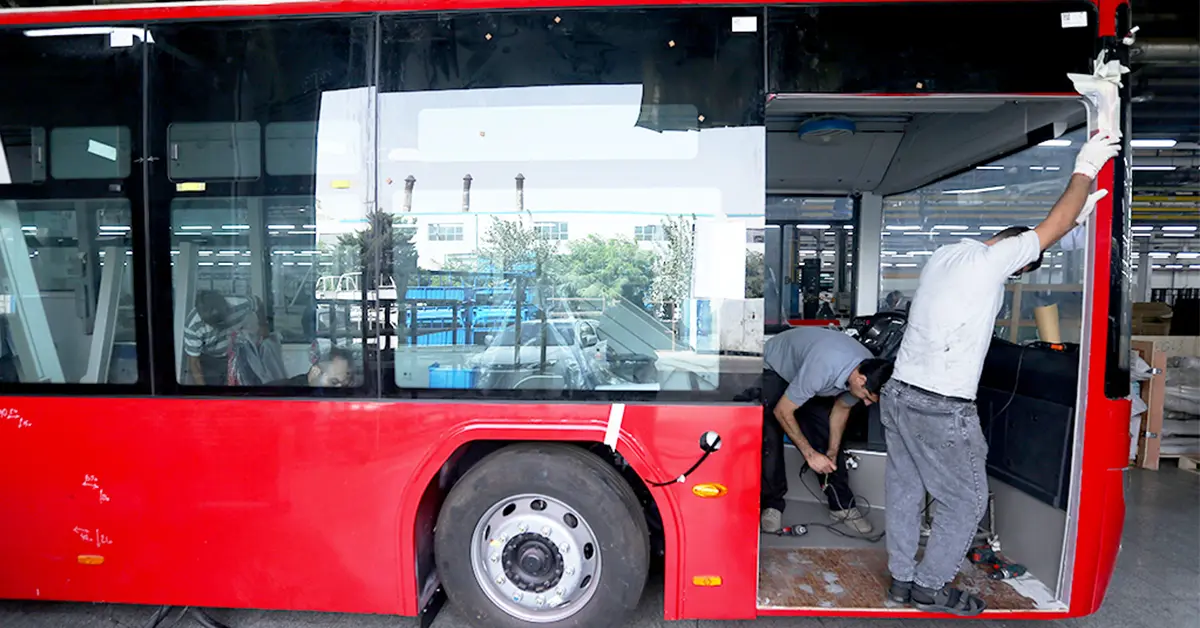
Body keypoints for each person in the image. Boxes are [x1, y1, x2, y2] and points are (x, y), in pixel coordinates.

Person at [879, 131, 1121, 616]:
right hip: (940, 407)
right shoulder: (995, 262)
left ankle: (902, 581)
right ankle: (929, 587)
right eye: (1022, 266)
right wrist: (1086, 168)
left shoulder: (949, 255)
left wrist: (1068, 226)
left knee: (905, 491)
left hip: (899, 394)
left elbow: (1033, 239)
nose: (1015, 275)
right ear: (1015, 254)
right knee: (966, 501)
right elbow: (1046, 228)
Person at [761, 326, 895, 535]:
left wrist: (831, 451)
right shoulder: (823, 367)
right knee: (770, 435)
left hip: (811, 374)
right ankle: (772, 504)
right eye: (867, 397)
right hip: (777, 367)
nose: (867, 404)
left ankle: (841, 506)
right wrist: (810, 455)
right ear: (860, 380)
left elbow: (841, 409)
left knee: (824, 431)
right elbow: (783, 411)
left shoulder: (867, 369)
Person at [182, 290, 258, 386]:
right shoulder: (193, 326)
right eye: (214, 324)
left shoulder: (239, 303)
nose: (219, 327)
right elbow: (194, 363)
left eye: (220, 321)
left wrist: (264, 326)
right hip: (211, 359)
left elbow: (258, 302)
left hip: (239, 352)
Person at [272, 346, 355, 387]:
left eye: (344, 385)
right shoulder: (289, 397)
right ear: (314, 373)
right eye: (333, 382)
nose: (339, 390)